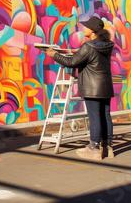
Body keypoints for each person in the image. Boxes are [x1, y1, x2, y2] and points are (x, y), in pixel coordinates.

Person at [44, 16, 115, 160]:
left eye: (86, 26)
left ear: (93, 31)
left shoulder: (88, 46)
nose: (83, 28)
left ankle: (94, 148)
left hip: (92, 87)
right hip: (105, 85)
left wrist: (54, 54)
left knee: (95, 116)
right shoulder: (107, 44)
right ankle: (107, 147)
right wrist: (79, 51)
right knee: (105, 115)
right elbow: (92, 57)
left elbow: (71, 62)